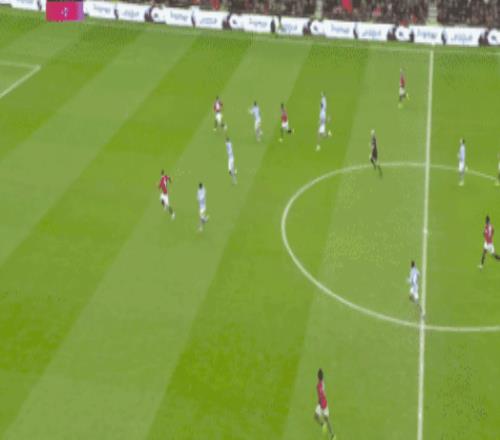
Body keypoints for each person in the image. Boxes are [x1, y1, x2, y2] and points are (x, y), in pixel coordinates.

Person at [314, 368, 335, 439]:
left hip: (322, 404)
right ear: (322, 376)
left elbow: (321, 394)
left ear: (317, 376)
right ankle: (330, 433)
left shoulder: (318, 386)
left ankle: (331, 433)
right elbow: (322, 393)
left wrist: (321, 403)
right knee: (320, 418)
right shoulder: (322, 382)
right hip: (323, 403)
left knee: (321, 418)